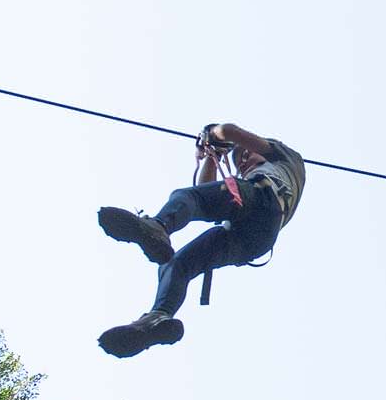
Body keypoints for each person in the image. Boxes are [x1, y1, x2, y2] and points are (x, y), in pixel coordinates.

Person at [95, 122, 306, 357]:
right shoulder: (247, 182)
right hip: (252, 239)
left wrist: (212, 133)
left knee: (184, 197)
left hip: (264, 197)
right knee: (176, 264)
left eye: (246, 154)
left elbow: (227, 131)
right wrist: (212, 156)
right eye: (239, 160)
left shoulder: (284, 157)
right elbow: (206, 191)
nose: (243, 160)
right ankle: (156, 319)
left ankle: (158, 226)